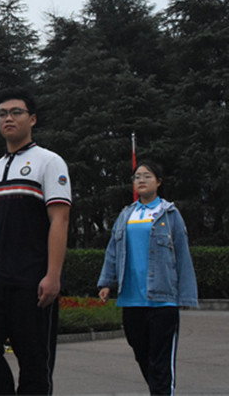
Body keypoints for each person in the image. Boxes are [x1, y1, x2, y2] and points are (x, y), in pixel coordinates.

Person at [0, 88, 71, 395]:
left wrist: (53, 275)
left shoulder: (49, 162)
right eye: (2, 114)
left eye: (15, 112)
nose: (8, 118)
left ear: (32, 119)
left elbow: (60, 220)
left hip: (32, 276)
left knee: (34, 359)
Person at [97, 160, 198, 395]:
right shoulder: (126, 215)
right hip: (131, 300)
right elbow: (113, 251)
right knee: (142, 354)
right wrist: (106, 282)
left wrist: (186, 295)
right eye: (137, 177)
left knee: (161, 361)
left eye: (147, 176)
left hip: (162, 299)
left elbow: (182, 255)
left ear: (159, 182)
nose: (141, 180)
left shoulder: (169, 214)